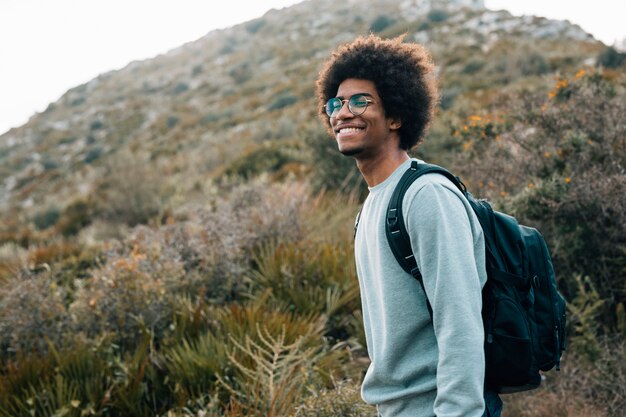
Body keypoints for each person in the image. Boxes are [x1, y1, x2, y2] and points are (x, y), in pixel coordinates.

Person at [315, 34, 503, 417]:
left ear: (397, 115)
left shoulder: (426, 195)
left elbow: (460, 322)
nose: (342, 112)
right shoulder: (371, 206)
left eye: (360, 101)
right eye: (335, 103)